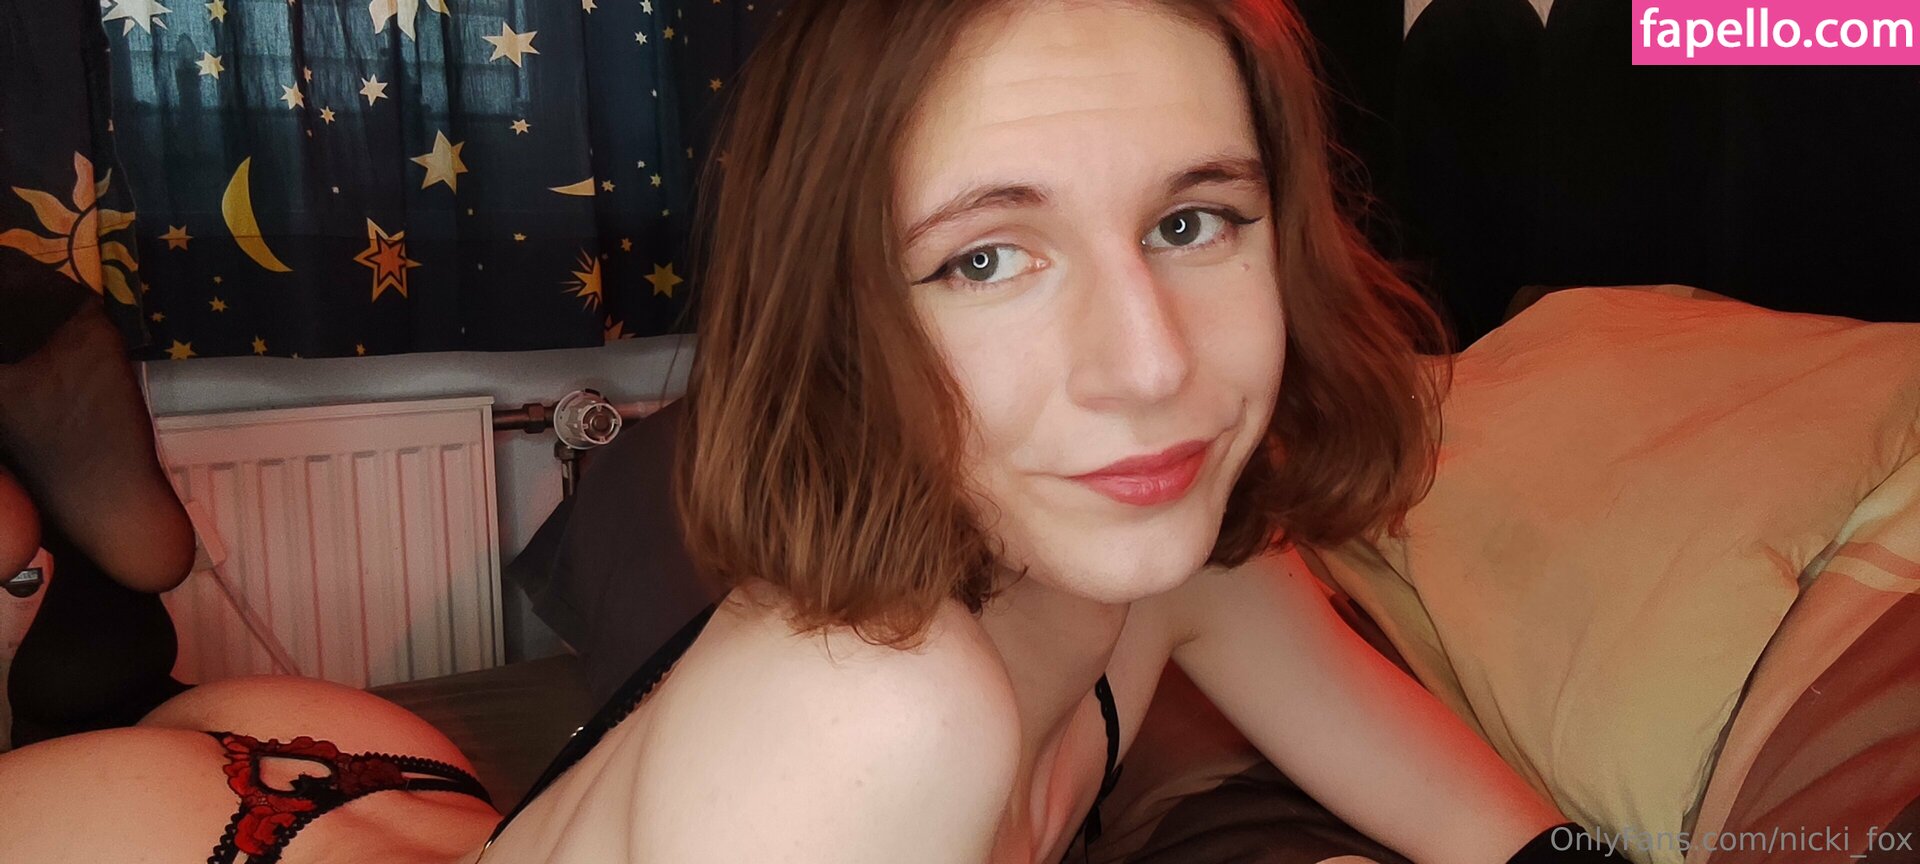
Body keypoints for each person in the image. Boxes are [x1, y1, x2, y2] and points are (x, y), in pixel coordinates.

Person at [0, 1, 1620, 862]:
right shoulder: (881, 713)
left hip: (386, 781)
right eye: (987, 258)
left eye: (1193, 222)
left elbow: (1501, 834)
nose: (1152, 369)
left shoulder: (1184, 544)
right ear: (843, 322)